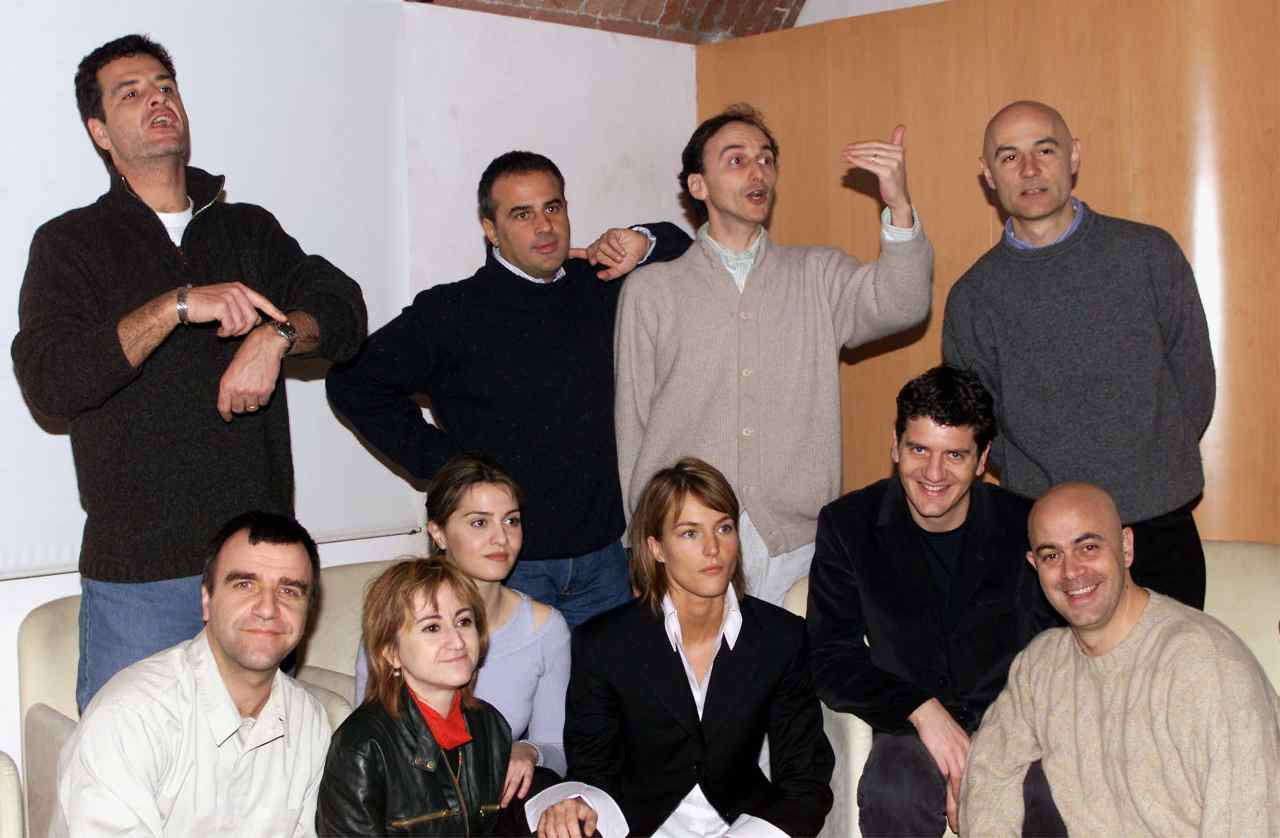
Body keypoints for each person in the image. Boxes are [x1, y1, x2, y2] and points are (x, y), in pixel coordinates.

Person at [10, 34, 368, 710]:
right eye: (131, 93)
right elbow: (51, 382)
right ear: (99, 132)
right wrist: (175, 306)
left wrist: (275, 336)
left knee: (256, 764)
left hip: (257, 569)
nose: (157, 100)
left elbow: (344, 311)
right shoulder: (69, 243)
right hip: (139, 577)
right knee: (130, 769)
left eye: (165, 86)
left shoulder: (248, 230)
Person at [326, 150, 691, 627]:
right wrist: (450, 467)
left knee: (610, 679)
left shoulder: (600, 284)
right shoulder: (452, 311)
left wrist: (641, 240)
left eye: (552, 207)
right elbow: (353, 382)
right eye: (522, 214)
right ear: (491, 229)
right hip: (504, 564)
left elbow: (684, 249)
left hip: (604, 558)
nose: (544, 226)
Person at [614, 104, 934, 606]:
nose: (757, 171)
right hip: (686, 539)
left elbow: (903, 303)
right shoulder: (651, 290)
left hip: (796, 544)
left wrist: (898, 205)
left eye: (765, 159)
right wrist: (640, 543)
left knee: (795, 658)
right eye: (737, 160)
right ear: (698, 185)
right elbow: (632, 427)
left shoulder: (816, 274)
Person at [943, 100, 1215, 610]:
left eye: (1045, 150)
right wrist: (1036, 482)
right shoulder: (973, 297)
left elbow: (1194, 381)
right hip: (1046, 538)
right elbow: (977, 422)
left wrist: (1152, 466)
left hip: (1158, 523)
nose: (1029, 169)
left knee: (1175, 662)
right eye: (1009, 156)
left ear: (1073, 156)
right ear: (988, 175)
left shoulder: (1148, 254)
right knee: (1055, 666)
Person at [806, 365, 1063, 836]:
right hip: (907, 723)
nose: (933, 473)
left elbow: (1057, 645)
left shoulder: (1026, 524)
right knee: (893, 790)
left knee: (1050, 791)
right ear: (895, 445)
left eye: (955, 455)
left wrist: (992, 747)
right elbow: (830, 658)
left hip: (1011, 719)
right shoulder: (848, 525)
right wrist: (922, 710)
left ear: (983, 459)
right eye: (919, 449)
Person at [528, 457, 834, 838]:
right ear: (656, 548)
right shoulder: (604, 644)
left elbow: (805, 779)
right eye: (690, 533)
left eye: (723, 528)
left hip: (747, 829)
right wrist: (577, 802)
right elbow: (592, 771)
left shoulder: (781, 637)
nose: (713, 548)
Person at [960, 482, 1280, 835]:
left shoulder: (1207, 666)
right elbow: (990, 774)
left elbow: (1250, 822)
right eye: (1052, 555)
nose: (1071, 571)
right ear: (1034, 566)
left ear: (1126, 547)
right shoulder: (1041, 666)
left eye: (1088, 547)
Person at [54, 512, 332, 836]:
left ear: (308, 612)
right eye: (245, 585)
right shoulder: (130, 718)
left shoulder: (309, 723)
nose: (268, 608)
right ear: (206, 600)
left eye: (289, 591)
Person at [353, 454, 571, 795]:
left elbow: (556, 749)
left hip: (496, 801)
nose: (501, 538)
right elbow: (365, 741)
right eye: (480, 523)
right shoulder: (398, 617)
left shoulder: (546, 629)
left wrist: (529, 751)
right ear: (438, 533)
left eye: (511, 521)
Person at [317, 557, 525, 836]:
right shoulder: (361, 746)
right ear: (391, 652)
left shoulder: (490, 725)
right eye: (432, 628)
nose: (457, 641)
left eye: (464, 621)